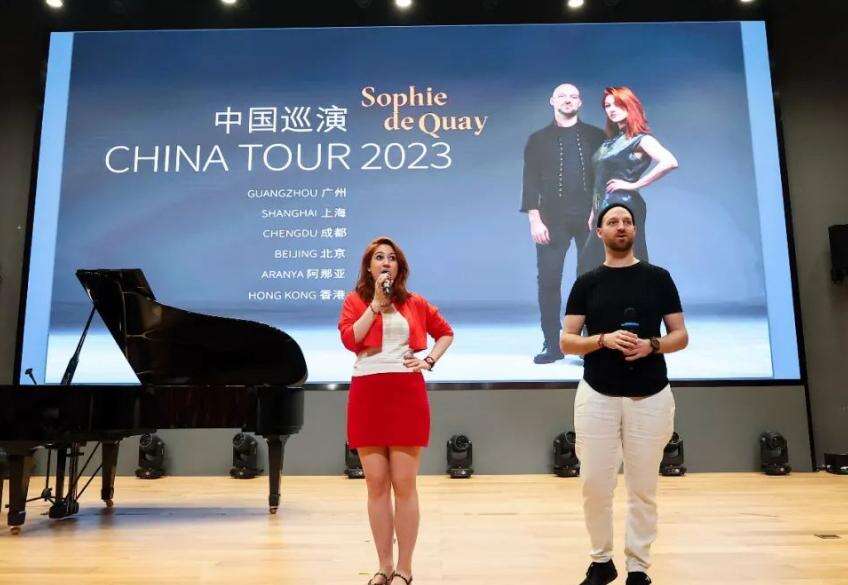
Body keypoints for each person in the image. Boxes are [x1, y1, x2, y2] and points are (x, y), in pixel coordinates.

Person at [561, 204, 689, 585]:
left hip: (650, 395)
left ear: (636, 229)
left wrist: (653, 345)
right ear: (599, 232)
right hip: (597, 395)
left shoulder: (659, 278)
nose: (621, 226)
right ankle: (601, 562)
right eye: (613, 222)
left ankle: (638, 568)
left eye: (627, 222)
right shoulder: (587, 283)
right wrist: (602, 339)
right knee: (594, 486)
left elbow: (680, 335)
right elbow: (567, 341)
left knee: (643, 488)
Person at [338, 236, 454, 585]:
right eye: (378, 257)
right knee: (375, 484)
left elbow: (445, 333)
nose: (385, 262)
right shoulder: (355, 301)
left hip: (405, 392)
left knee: (404, 484)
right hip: (367, 393)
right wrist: (374, 304)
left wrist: (428, 360)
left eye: (391, 258)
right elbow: (350, 339)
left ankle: (405, 567)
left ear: (399, 267)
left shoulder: (414, 302)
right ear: (369, 267)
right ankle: (384, 565)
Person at [520, 83, 606, 364]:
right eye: (562, 96)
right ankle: (551, 342)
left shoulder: (596, 136)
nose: (567, 100)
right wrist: (535, 220)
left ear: (579, 103)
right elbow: (530, 182)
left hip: (589, 219)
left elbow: (603, 177)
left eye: (573, 96)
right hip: (551, 219)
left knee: (591, 281)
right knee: (548, 280)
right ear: (552, 101)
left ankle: (588, 342)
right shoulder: (538, 139)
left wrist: (597, 212)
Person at [578, 86, 678, 275]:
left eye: (617, 104)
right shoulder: (610, 141)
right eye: (607, 106)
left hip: (622, 207)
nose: (611, 109)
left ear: (629, 105)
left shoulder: (640, 139)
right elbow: (600, 177)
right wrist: (593, 210)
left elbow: (670, 161)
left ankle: (639, 293)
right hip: (602, 208)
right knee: (594, 265)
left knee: (623, 262)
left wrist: (634, 185)